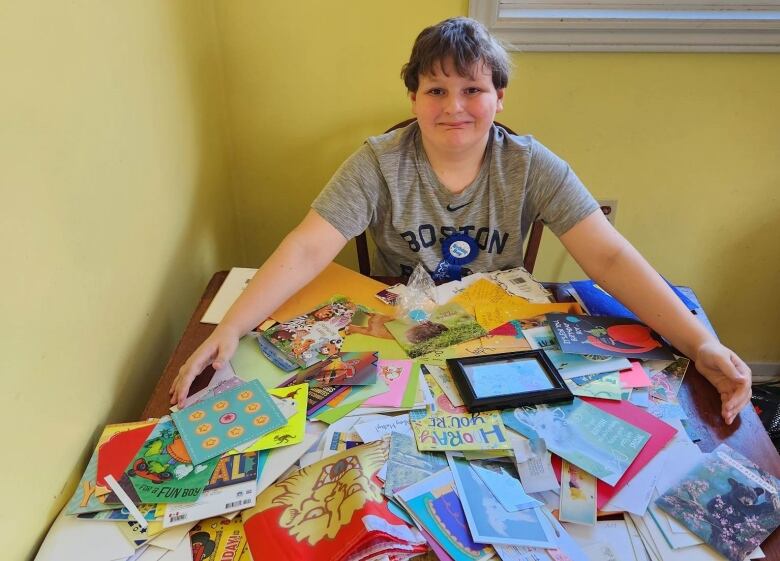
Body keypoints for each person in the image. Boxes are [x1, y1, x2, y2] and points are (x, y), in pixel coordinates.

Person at [170, 16, 751, 424]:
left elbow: (610, 257)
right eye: (436, 89)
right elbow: (304, 248)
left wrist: (700, 343)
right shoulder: (377, 161)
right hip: (399, 330)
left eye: (472, 89)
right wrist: (230, 328)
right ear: (414, 98)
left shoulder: (531, 164)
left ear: (499, 96)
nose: (453, 107)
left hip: (498, 333)